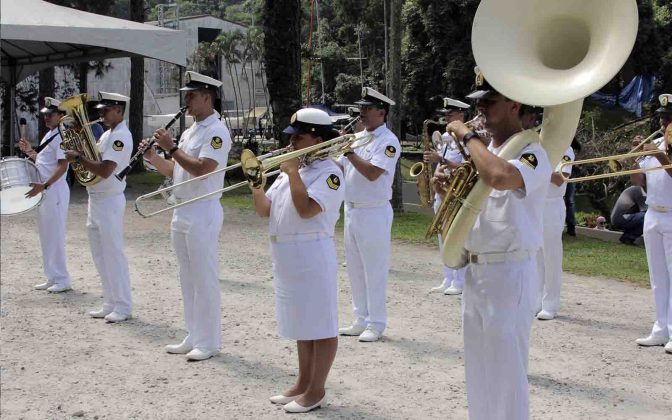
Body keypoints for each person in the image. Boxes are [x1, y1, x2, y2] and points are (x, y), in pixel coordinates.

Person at [437, 69, 551, 419]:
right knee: (480, 371)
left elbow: (501, 178)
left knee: (506, 373)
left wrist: (466, 135)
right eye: (478, 102)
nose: (481, 108)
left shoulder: (533, 152)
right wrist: (446, 190)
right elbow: (474, 209)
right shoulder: (485, 153)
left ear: (515, 104)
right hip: (477, 270)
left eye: (489, 101)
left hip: (510, 272)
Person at [250, 108, 344, 413]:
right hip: (288, 254)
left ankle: (317, 390)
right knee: (301, 323)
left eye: (298, 138)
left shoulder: (330, 172)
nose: (290, 145)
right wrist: (256, 184)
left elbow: (306, 210)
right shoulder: (297, 170)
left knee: (321, 324)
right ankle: (303, 383)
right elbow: (265, 210)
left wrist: (290, 172)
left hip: (312, 253)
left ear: (317, 138)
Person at [142, 71, 231, 361]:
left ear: (208, 97)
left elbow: (202, 168)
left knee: (204, 276)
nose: (187, 100)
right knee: (187, 276)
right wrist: (155, 158)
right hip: (182, 207)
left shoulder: (216, 131)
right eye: (186, 95)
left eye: (192, 95)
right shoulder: (192, 130)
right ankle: (194, 333)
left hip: (202, 208)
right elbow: (177, 171)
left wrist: (172, 147)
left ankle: (209, 340)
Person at [337, 87, 400, 343]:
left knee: (374, 269)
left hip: (374, 211)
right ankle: (360, 318)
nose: (361, 112)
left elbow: (373, 173)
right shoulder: (358, 137)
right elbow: (341, 168)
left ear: (381, 112)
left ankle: (376, 322)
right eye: (360, 108)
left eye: (367, 109)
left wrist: (348, 151)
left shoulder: (388, 141)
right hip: (351, 209)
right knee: (354, 268)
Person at [64, 91, 133, 323]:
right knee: (100, 255)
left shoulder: (120, 136)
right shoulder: (107, 135)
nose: (101, 113)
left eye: (106, 110)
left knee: (113, 254)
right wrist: (79, 143)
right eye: (101, 110)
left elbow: (104, 170)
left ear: (119, 111)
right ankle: (110, 301)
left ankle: (123, 305)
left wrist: (78, 158)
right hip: (96, 198)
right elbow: (93, 161)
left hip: (110, 200)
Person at [18, 97, 72, 293]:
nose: (47, 118)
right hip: (46, 188)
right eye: (45, 115)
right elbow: (43, 162)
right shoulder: (50, 134)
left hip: (53, 189)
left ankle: (62, 278)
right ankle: (52, 276)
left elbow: (62, 165)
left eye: (51, 114)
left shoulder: (62, 136)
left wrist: (45, 185)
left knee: (55, 234)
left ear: (61, 115)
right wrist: (30, 151)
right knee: (46, 234)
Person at [632, 93, 672, 355]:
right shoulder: (655, 144)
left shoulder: (660, 149)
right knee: (657, 277)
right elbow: (638, 183)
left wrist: (658, 155)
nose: (663, 121)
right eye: (661, 117)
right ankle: (661, 329)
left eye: (668, 117)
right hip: (652, 214)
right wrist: (634, 157)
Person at [425, 97, 470, 295]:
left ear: (461, 114)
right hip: (442, 192)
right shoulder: (445, 137)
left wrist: (441, 159)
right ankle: (448, 277)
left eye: (451, 114)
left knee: (456, 237)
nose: (447, 118)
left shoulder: (467, 137)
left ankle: (460, 280)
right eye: (446, 115)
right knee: (442, 236)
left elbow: (469, 166)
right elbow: (443, 165)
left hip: (457, 194)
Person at [536, 142, 574, 320]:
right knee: (535, 256)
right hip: (535, 204)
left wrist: (536, 170)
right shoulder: (537, 147)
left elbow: (560, 178)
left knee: (551, 256)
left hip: (552, 204)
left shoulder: (565, 149)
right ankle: (535, 300)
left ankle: (550, 304)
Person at [564, 138, 582, 236]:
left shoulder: (571, 139)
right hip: (557, 168)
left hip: (570, 172)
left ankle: (571, 227)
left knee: (569, 200)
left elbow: (579, 148)